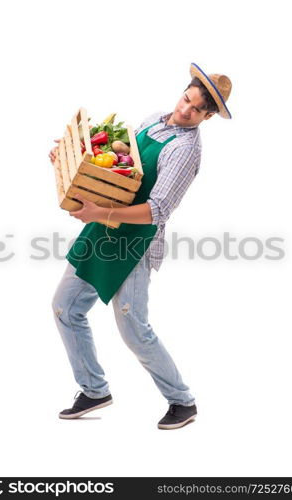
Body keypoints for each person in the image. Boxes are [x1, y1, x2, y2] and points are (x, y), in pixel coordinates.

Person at [49, 62, 232, 430]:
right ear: (183, 91)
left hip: (136, 242)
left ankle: (182, 402)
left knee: (134, 329)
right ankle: (94, 389)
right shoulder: (153, 119)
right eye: (186, 99)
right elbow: (120, 166)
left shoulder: (185, 150)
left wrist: (99, 210)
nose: (185, 110)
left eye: (197, 109)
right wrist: (74, 159)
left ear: (207, 117)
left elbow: (158, 209)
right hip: (102, 228)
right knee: (65, 308)